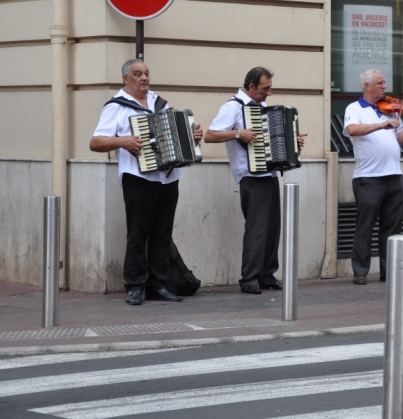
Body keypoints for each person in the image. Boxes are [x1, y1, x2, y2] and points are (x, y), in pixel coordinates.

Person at [90, 58, 203, 305]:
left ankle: (158, 285)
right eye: (138, 74)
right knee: (138, 234)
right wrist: (123, 141)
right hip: (138, 178)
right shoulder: (116, 107)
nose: (144, 78)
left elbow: (175, 135)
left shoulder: (159, 103)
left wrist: (193, 137)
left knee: (162, 233)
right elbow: (95, 142)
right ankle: (134, 285)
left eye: (146, 73)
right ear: (126, 78)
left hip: (168, 178)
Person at [204, 67, 306, 295]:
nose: (269, 92)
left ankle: (266, 274)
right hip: (250, 177)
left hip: (269, 175)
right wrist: (238, 134)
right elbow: (210, 135)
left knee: (272, 229)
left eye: (270, 88)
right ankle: (249, 277)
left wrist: (293, 141)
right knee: (256, 229)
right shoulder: (232, 107)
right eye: (265, 88)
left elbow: (274, 139)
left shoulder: (261, 108)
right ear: (251, 86)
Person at [343, 69, 403, 285]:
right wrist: (381, 124)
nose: (384, 87)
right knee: (364, 227)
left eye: (384, 83)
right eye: (380, 83)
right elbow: (352, 129)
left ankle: (388, 271)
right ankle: (360, 271)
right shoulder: (355, 108)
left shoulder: (390, 110)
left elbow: (400, 138)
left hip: (394, 176)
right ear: (367, 86)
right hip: (368, 178)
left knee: (392, 227)